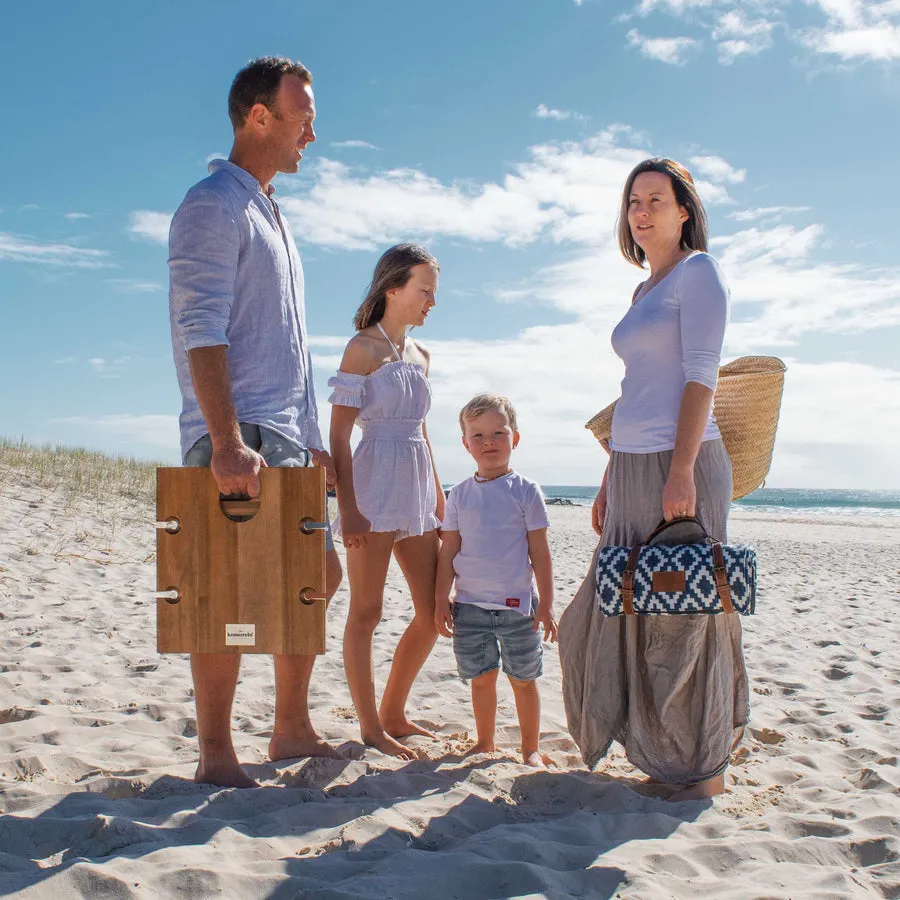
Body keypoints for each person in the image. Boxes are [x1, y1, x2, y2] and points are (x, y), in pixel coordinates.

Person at [168, 57, 344, 788]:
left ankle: (292, 727)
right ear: (258, 117)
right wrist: (228, 439)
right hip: (239, 434)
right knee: (223, 596)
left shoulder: (269, 210)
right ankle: (215, 752)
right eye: (302, 112)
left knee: (318, 575)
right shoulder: (213, 202)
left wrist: (312, 438)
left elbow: (286, 340)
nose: (313, 128)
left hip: (286, 433)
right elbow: (199, 326)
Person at [559, 158, 749, 801]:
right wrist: (613, 471)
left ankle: (702, 775)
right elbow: (634, 388)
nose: (641, 212)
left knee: (686, 616)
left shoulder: (700, 274)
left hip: (682, 460)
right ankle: (661, 759)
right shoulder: (645, 291)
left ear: (685, 211)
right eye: (634, 201)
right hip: (635, 463)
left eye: (656, 200)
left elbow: (701, 376)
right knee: (625, 611)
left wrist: (680, 469)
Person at [328, 244, 444, 760]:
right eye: (425, 290)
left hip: (417, 489)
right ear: (393, 288)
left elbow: (422, 429)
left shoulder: (421, 355)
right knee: (366, 611)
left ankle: (396, 710)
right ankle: (371, 725)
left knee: (433, 609)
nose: (431, 302)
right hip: (372, 490)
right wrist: (347, 505)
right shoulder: (362, 350)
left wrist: (440, 496)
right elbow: (338, 437)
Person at [434, 394, 557, 767]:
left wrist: (548, 603)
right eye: (479, 435)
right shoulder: (459, 495)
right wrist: (441, 598)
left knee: (523, 680)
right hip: (469, 606)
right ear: (466, 444)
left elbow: (540, 552)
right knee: (482, 678)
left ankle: (530, 748)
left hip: (519, 606)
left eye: (498, 433)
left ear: (514, 439)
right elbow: (449, 550)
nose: (489, 442)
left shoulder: (526, 490)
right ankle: (484, 741)